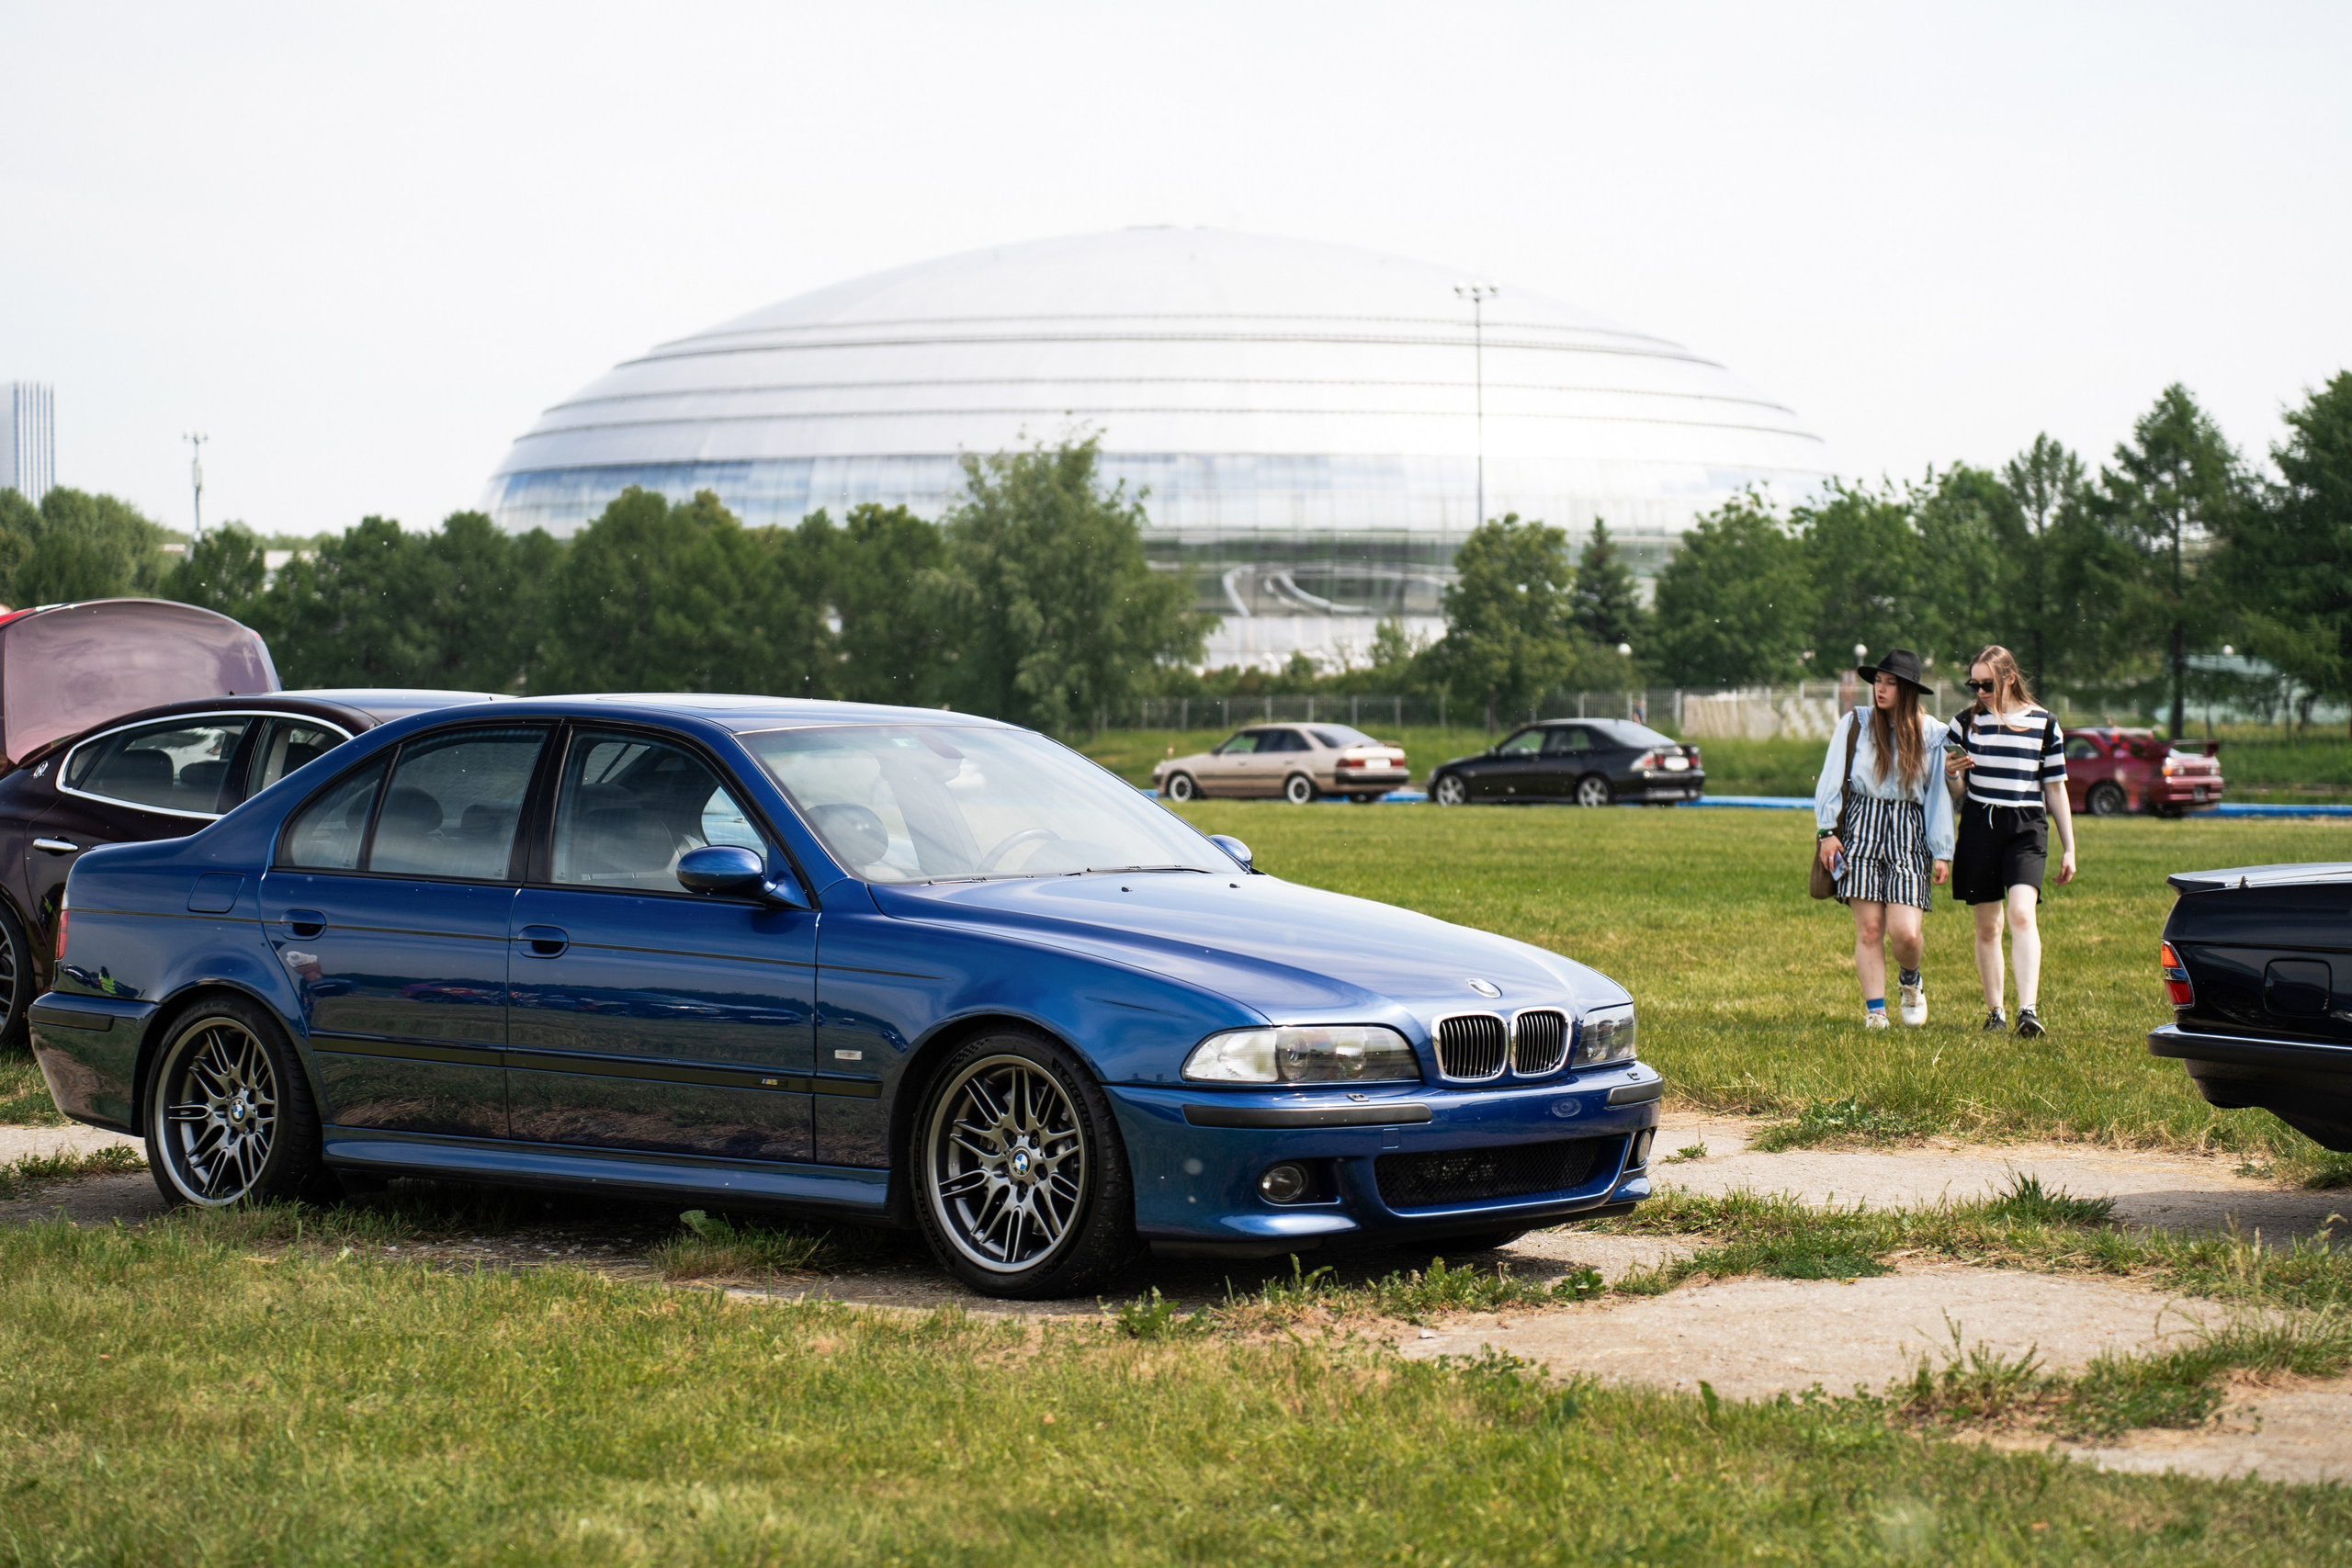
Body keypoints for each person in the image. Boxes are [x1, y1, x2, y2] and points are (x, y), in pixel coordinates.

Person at [1815, 648, 1952, 1028]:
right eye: (1878, 680)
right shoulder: (1855, 723)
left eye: (1891, 683)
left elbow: (1939, 794)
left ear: (1907, 690)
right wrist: (1827, 832)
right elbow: (1831, 776)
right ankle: (1876, 1012)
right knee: (1870, 928)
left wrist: (1942, 851)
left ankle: (1910, 979)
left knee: (1905, 933)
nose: (1881, 688)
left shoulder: (1933, 733)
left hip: (1909, 830)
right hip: (1862, 827)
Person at [1945, 645, 2075, 1038]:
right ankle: (1995, 1012)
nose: (1980, 691)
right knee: (1988, 925)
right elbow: (1955, 792)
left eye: (1987, 684)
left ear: (2009, 678)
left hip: (2026, 825)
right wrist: (1952, 773)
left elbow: (2054, 788)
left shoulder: (2044, 724)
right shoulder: (1965, 723)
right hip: (1979, 824)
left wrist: (2069, 847)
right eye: (1974, 684)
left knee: (2021, 912)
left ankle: (2027, 1010)